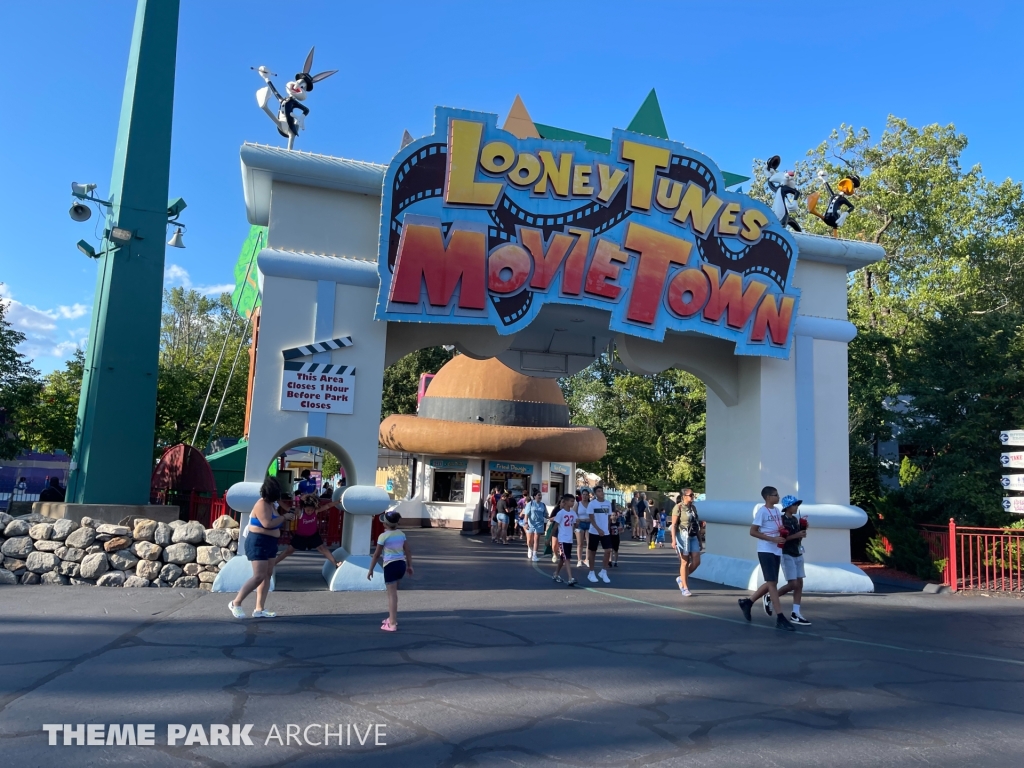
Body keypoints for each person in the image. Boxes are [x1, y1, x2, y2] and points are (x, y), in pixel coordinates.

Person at [230, 476, 294, 619]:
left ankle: (259, 608)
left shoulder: (273, 505)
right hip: (258, 542)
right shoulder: (262, 504)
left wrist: (286, 516)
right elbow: (267, 524)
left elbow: (273, 524)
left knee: (267, 574)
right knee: (259, 576)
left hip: (270, 543)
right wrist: (284, 518)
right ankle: (236, 602)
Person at [737, 486, 795, 631]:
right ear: (768, 497)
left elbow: (778, 527)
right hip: (766, 550)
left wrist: (783, 533)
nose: (778, 497)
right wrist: (771, 539)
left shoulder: (776, 511)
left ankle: (748, 602)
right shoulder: (762, 512)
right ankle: (780, 617)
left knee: (771, 582)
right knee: (772, 584)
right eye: (776, 495)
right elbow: (753, 531)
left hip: (776, 550)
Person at [764, 495, 811, 625]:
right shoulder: (782, 520)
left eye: (797, 505)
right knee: (793, 583)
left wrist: (802, 531)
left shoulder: (795, 520)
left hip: (797, 552)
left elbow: (798, 538)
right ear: (788, 507)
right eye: (795, 505)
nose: (797, 507)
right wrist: (796, 535)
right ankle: (770, 596)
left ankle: (796, 612)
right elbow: (783, 538)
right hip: (786, 553)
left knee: (800, 583)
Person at [367, 510, 413, 631]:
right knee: (394, 593)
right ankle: (392, 617)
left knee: (392, 595)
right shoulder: (401, 534)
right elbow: (407, 551)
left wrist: (371, 569)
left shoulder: (383, 536)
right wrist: (410, 565)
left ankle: (392, 623)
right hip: (401, 565)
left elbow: (376, 554)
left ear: (384, 524)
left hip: (390, 566)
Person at [273, 493, 341, 569]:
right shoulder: (299, 512)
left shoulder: (316, 511)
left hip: (313, 535)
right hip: (300, 536)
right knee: (289, 550)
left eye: (311, 510)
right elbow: (287, 508)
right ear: (304, 507)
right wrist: (278, 500)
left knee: (323, 549)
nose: (310, 512)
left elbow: (328, 506)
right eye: (308, 510)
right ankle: (273, 563)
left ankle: (335, 563)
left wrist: (338, 501)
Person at [671, 488, 704, 597]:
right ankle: (685, 587)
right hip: (682, 536)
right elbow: (674, 525)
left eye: (693, 495)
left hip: (693, 536)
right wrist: (673, 540)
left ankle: (681, 578)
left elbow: (696, 525)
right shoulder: (678, 507)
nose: (692, 497)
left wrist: (700, 540)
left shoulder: (693, 508)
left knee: (696, 561)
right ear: (684, 496)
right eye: (691, 495)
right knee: (685, 562)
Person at [585, 485, 613, 583]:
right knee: (592, 552)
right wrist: (598, 529)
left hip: (605, 532)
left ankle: (603, 571)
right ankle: (591, 572)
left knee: (608, 550)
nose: (602, 493)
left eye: (602, 491)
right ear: (596, 494)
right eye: (599, 491)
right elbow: (591, 519)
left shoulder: (608, 503)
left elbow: (609, 518)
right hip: (594, 531)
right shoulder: (592, 504)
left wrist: (608, 529)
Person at [549, 493, 578, 586]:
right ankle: (570, 578)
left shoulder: (573, 513)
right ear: (565, 502)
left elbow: (574, 525)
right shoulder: (560, 513)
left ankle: (556, 573)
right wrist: (549, 538)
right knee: (567, 558)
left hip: (569, 539)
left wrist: (577, 523)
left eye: (573, 501)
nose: (573, 503)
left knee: (563, 558)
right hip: (562, 538)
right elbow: (555, 527)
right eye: (571, 501)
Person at [525, 490, 548, 562]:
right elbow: (526, 514)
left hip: (539, 524)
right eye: (538, 495)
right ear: (534, 496)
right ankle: (530, 548)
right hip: (531, 524)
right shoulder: (530, 504)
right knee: (529, 540)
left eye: (540, 495)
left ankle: (534, 555)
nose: (540, 496)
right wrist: (526, 523)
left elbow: (545, 514)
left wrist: (551, 518)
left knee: (536, 539)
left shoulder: (543, 505)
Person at [573, 488, 592, 568]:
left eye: (586, 495)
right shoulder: (578, 504)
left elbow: (593, 514)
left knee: (589, 543)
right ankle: (579, 560)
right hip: (580, 524)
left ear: (588, 496)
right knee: (580, 543)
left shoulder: (591, 504)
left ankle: (586, 559)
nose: (584, 496)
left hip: (589, 524)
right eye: (583, 495)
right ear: (581, 495)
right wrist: (576, 521)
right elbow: (574, 513)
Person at [607, 499, 621, 566]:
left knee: (616, 550)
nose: (614, 516)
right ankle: (610, 561)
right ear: (610, 517)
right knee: (610, 550)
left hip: (616, 537)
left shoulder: (618, 523)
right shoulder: (609, 524)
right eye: (612, 515)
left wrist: (620, 529)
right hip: (610, 537)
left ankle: (616, 561)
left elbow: (622, 529)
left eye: (615, 515)